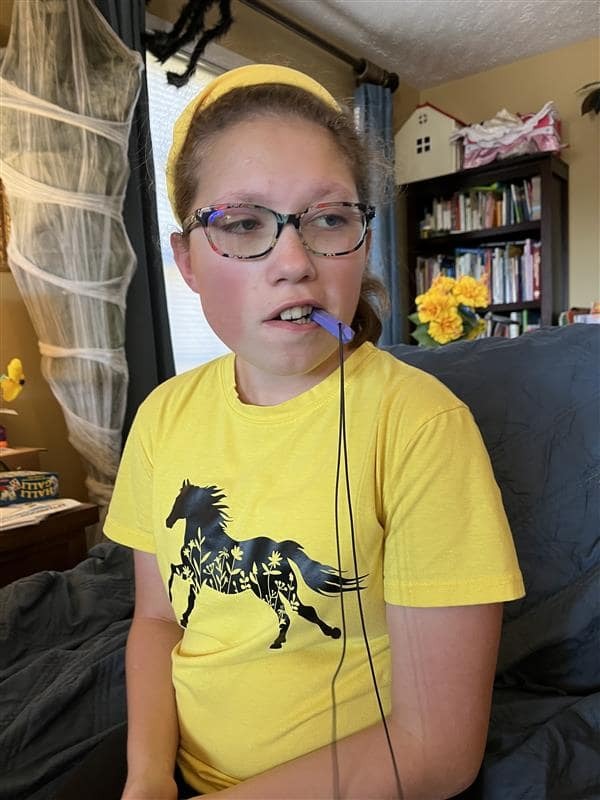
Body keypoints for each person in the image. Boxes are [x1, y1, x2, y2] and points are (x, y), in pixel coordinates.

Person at [101, 64, 524, 799]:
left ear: (362, 241)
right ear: (187, 262)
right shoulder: (162, 417)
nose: (294, 263)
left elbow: (438, 751)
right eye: (242, 224)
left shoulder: (420, 426)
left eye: (329, 219)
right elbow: (157, 619)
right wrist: (146, 777)